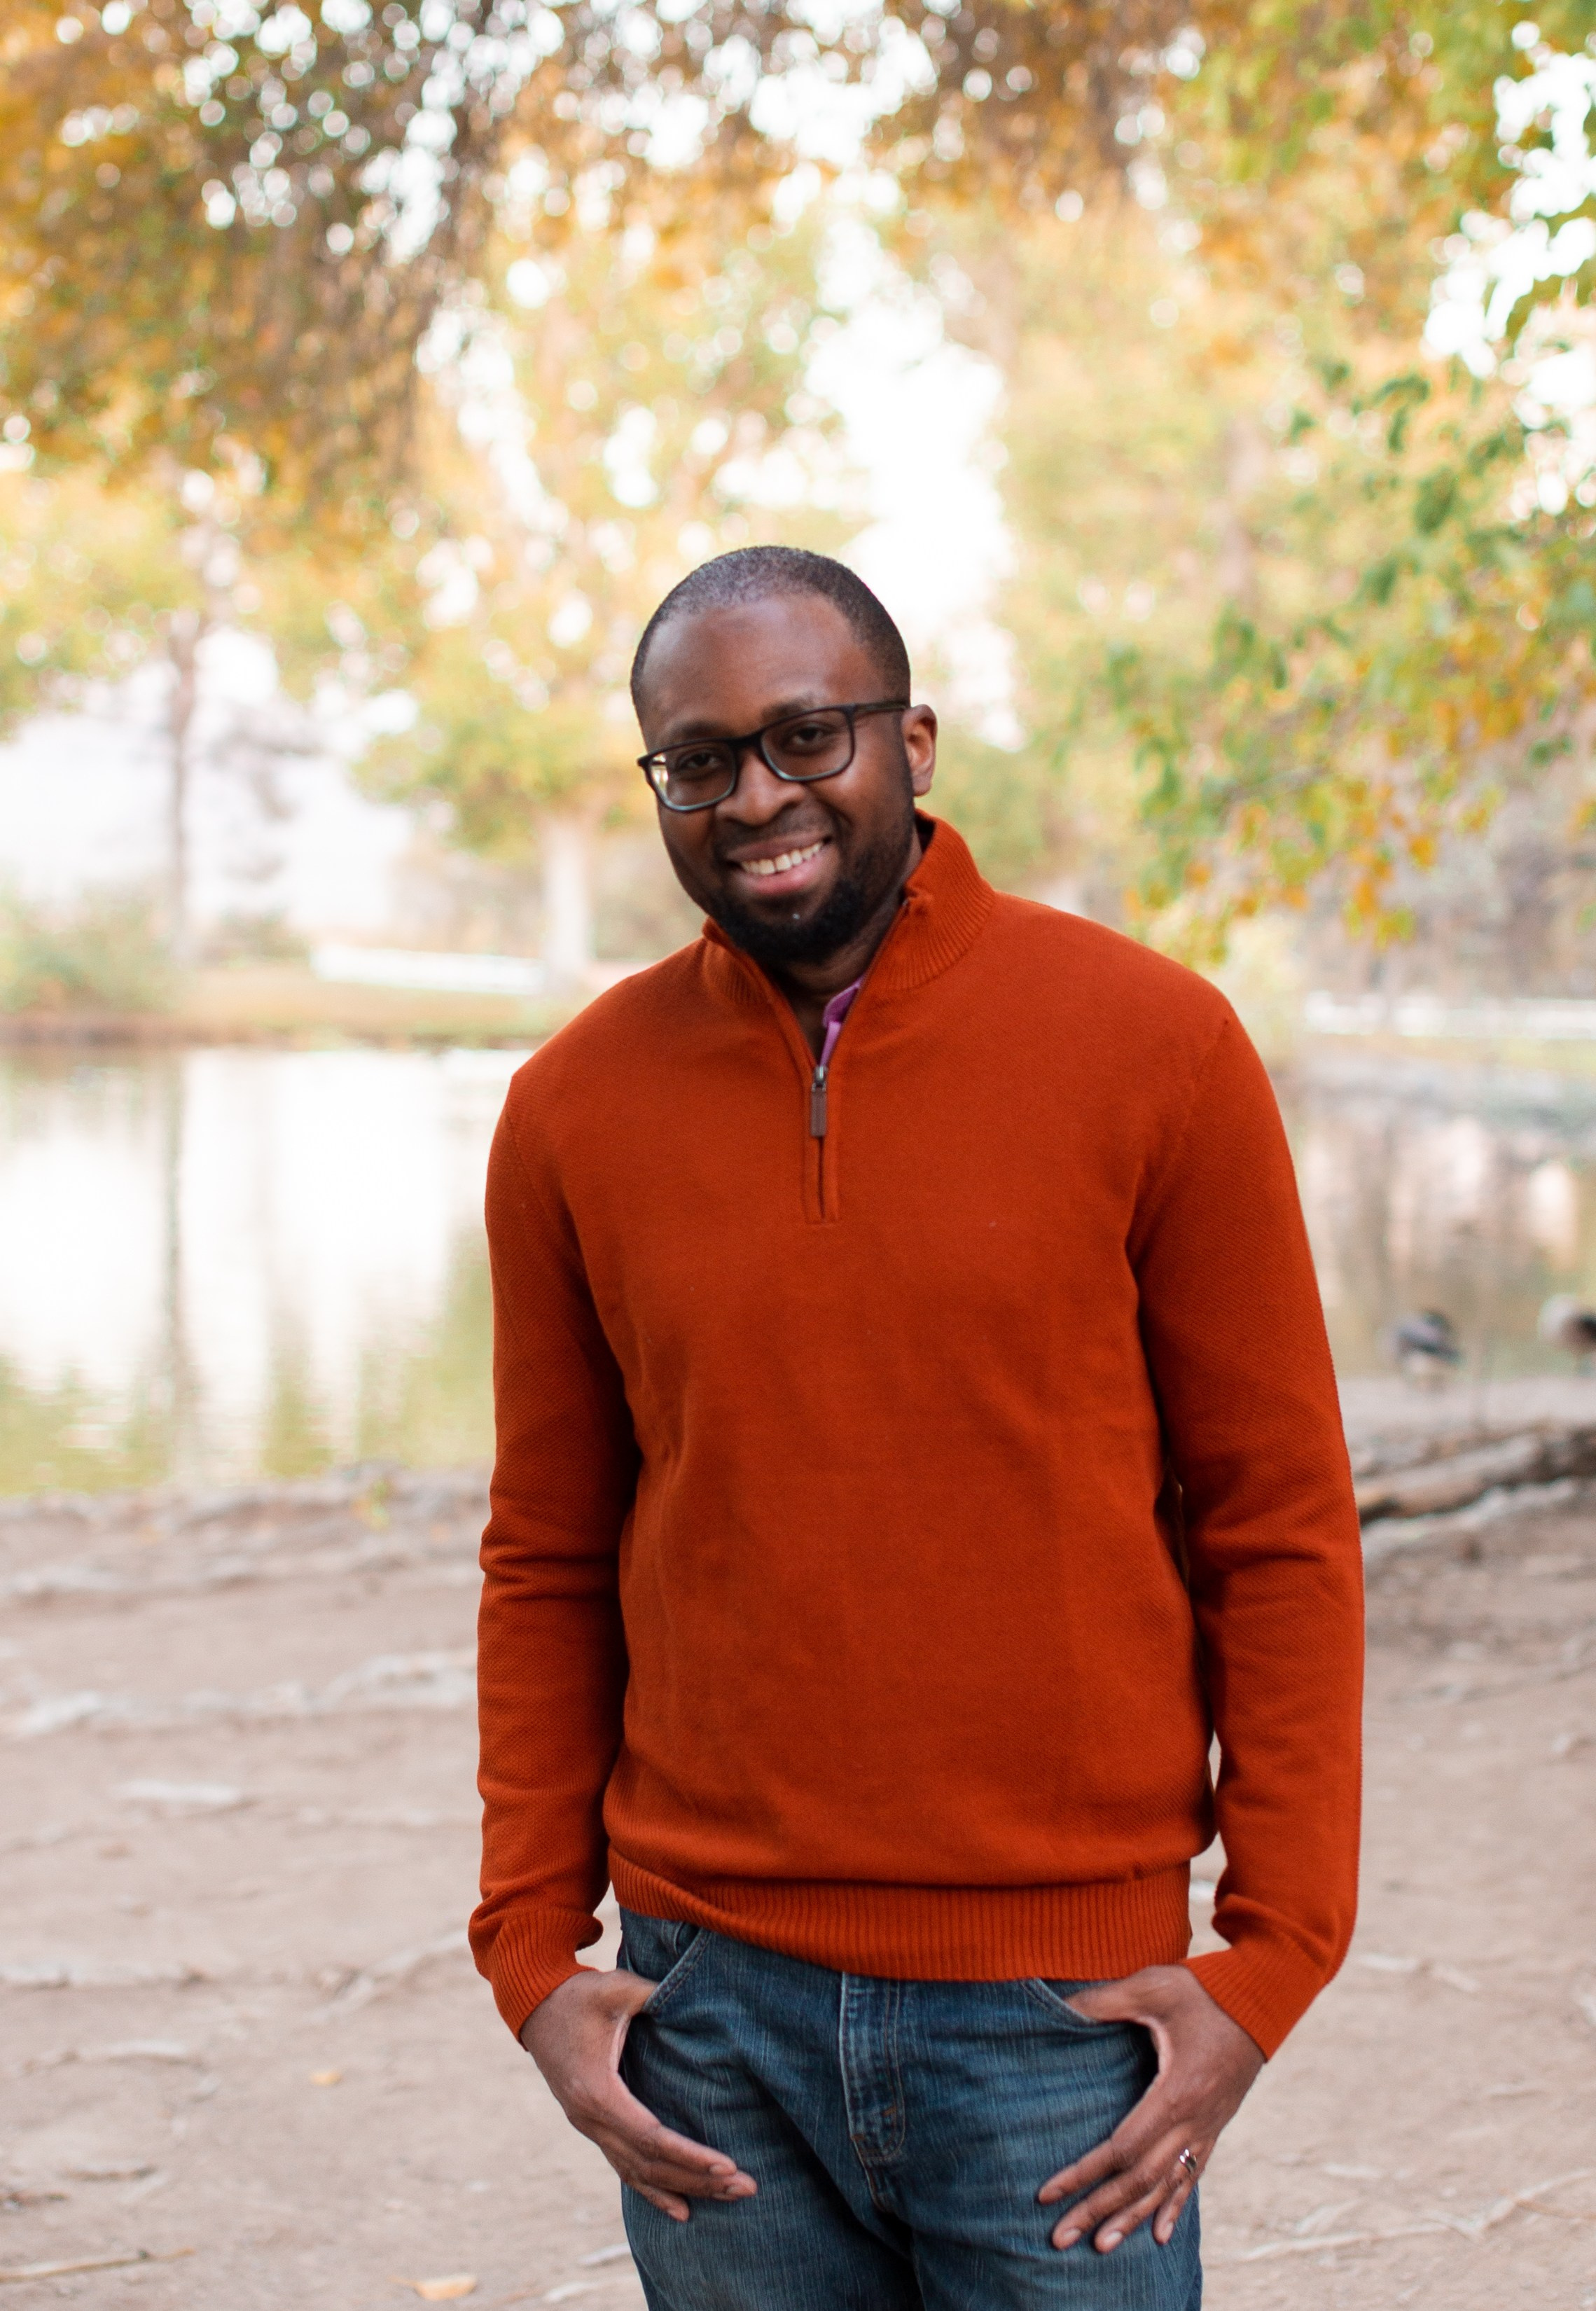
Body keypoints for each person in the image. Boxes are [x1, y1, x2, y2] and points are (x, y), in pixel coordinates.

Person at [471, 547, 1363, 2309]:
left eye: (810, 736)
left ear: (916, 742)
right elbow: (550, 1554)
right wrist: (526, 1950)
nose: (759, 799)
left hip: (1058, 2025)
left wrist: (1273, 1957)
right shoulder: (569, 1109)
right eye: (701, 760)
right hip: (703, 2015)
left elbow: (1280, 1526)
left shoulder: (1157, 1047)